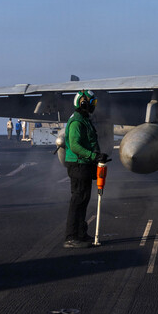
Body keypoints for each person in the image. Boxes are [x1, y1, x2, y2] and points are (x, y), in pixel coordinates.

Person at [63, 90, 109, 248]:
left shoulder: (84, 119)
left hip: (85, 164)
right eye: (92, 103)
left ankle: (81, 234)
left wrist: (97, 156)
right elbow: (75, 146)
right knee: (77, 200)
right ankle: (71, 237)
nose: (93, 106)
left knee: (83, 199)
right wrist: (93, 156)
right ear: (83, 103)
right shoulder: (77, 122)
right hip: (78, 165)